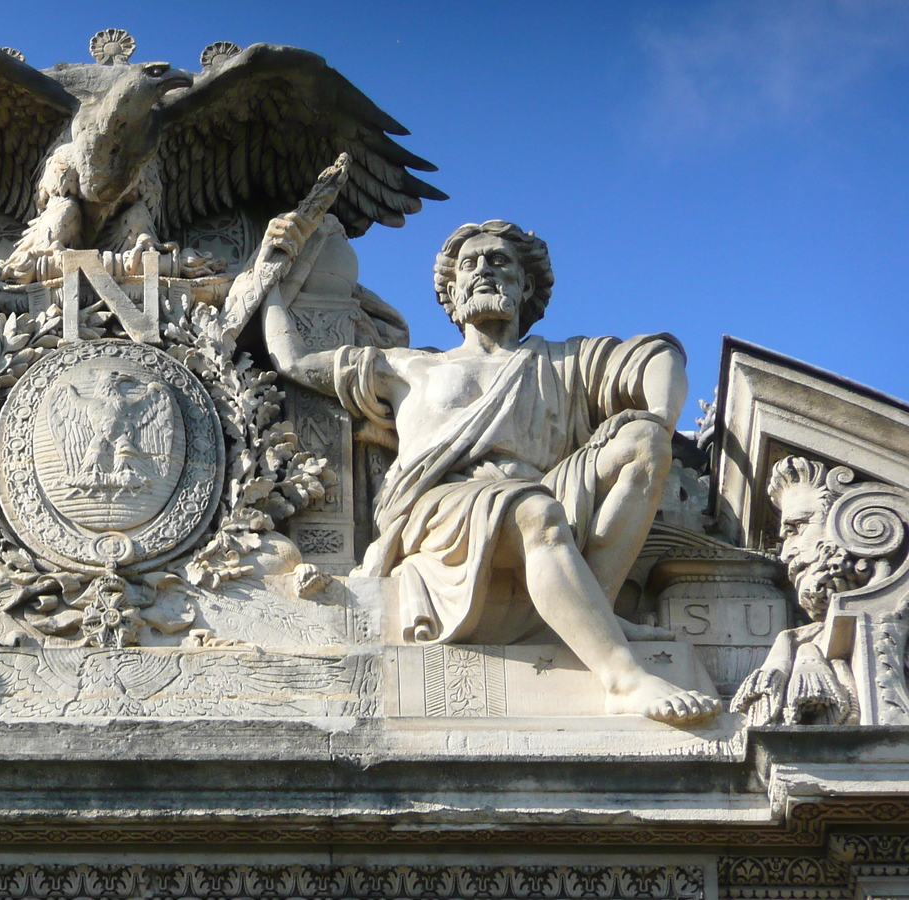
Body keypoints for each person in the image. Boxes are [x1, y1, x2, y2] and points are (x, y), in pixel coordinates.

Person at [263, 207, 719, 725]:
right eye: (470, 264)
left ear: (526, 288)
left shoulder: (564, 361)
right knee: (533, 512)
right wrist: (273, 274)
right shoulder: (409, 365)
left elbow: (660, 357)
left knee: (642, 442)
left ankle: (593, 609)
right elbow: (295, 360)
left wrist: (657, 417)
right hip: (442, 513)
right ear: (452, 293)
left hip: (547, 492)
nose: (484, 270)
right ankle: (622, 677)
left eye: (500, 262)